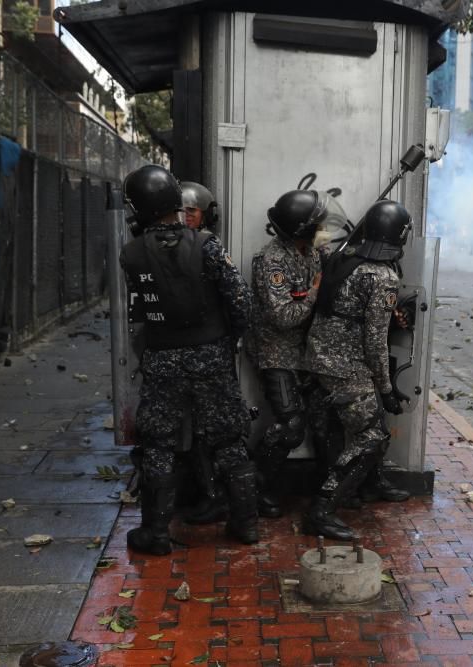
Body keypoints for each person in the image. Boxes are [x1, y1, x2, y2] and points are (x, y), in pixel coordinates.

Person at [120, 165, 257, 555]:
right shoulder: (206, 245)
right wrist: (227, 339)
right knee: (229, 440)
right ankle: (245, 525)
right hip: (212, 357)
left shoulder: (130, 254)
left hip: (162, 360)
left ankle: (156, 534)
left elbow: (139, 315)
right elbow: (241, 302)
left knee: (158, 446)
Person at [303, 200, 412, 541]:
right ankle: (321, 510)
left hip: (318, 355)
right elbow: (376, 341)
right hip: (345, 363)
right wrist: (386, 389)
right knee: (373, 435)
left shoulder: (342, 258)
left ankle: (368, 483)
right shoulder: (384, 277)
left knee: (359, 422)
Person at [249, 190, 329, 519]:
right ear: (300, 230)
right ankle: (255, 487)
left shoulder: (311, 254)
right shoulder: (272, 262)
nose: (322, 229)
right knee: (291, 425)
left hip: (308, 353)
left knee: (324, 420)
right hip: (278, 354)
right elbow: (283, 318)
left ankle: (328, 489)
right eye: (316, 225)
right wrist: (314, 293)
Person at [177, 181, 228, 526]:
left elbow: (234, 299)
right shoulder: (167, 246)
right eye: (180, 211)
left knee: (212, 430)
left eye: (191, 212)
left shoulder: (210, 248)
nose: (185, 218)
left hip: (209, 350)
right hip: (181, 350)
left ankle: (218, 498)